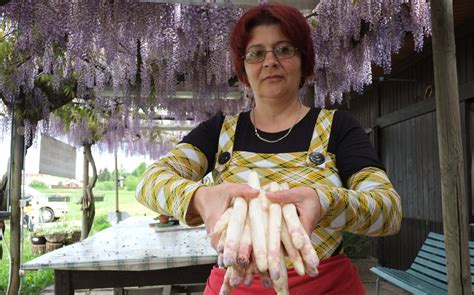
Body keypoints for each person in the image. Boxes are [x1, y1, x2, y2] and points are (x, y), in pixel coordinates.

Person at [136, 3, 402, 294]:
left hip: (326, 286)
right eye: (256, 53)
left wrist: (325, 202)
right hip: (236, 286)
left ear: (304, 61)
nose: (270, 61)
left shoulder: (337, 127)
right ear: (243, 68)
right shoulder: (219, 131)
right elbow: (150, 183)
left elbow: (387, 210)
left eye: (284, 49)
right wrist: (199, 197)